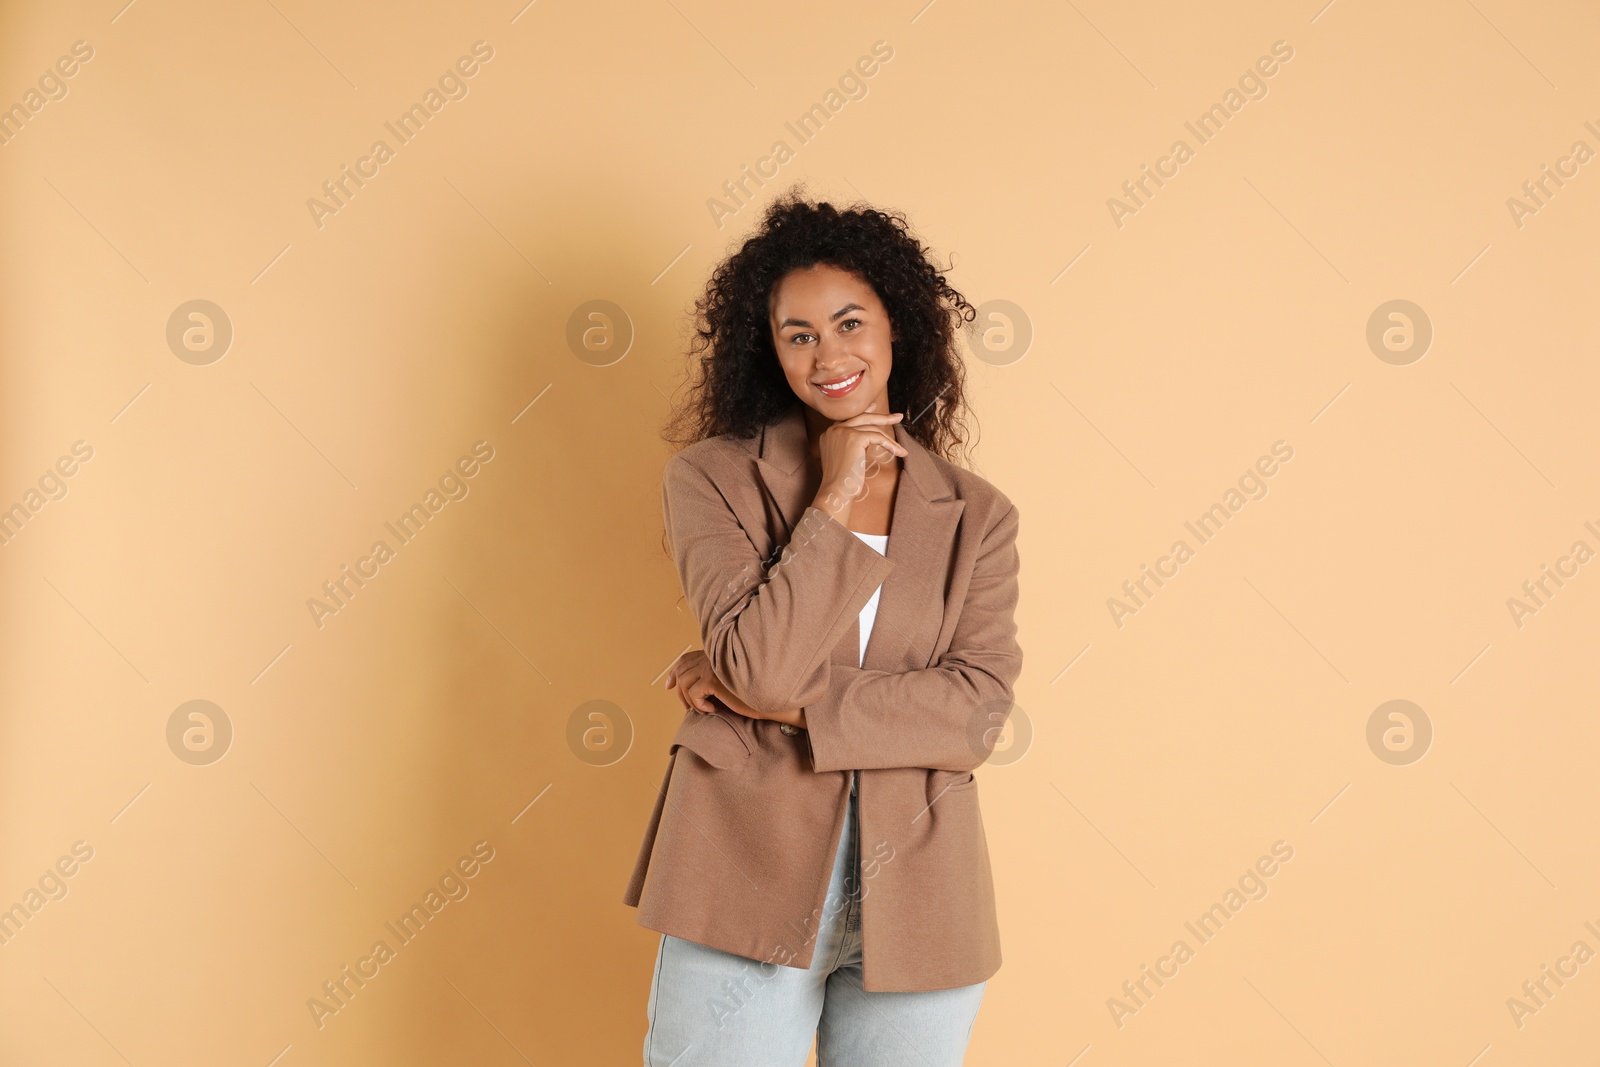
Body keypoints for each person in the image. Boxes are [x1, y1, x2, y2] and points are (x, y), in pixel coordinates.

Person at [624, 186, 1023, 1066]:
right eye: (798, 334)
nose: (828, 354)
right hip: (739, 877)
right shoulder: (714, 479)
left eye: (850, 324)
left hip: (923, 900)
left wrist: (753, 691)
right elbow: (765, 670)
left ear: (896, 328)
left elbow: (976, 714)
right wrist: (836, 496)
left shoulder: (977, 514)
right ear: (767, 349)